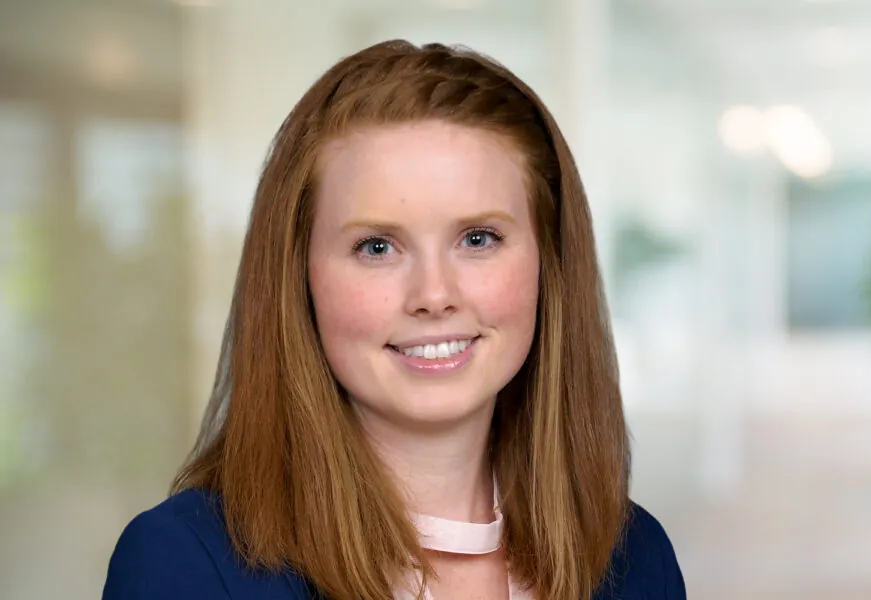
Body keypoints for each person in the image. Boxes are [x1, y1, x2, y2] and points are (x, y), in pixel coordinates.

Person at [102, 40, 686, 600]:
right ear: (298, 278)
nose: (434, 294)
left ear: (548, 264)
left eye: (478, 238)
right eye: (377, 247)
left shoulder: (636, 560)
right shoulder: (184, 566)